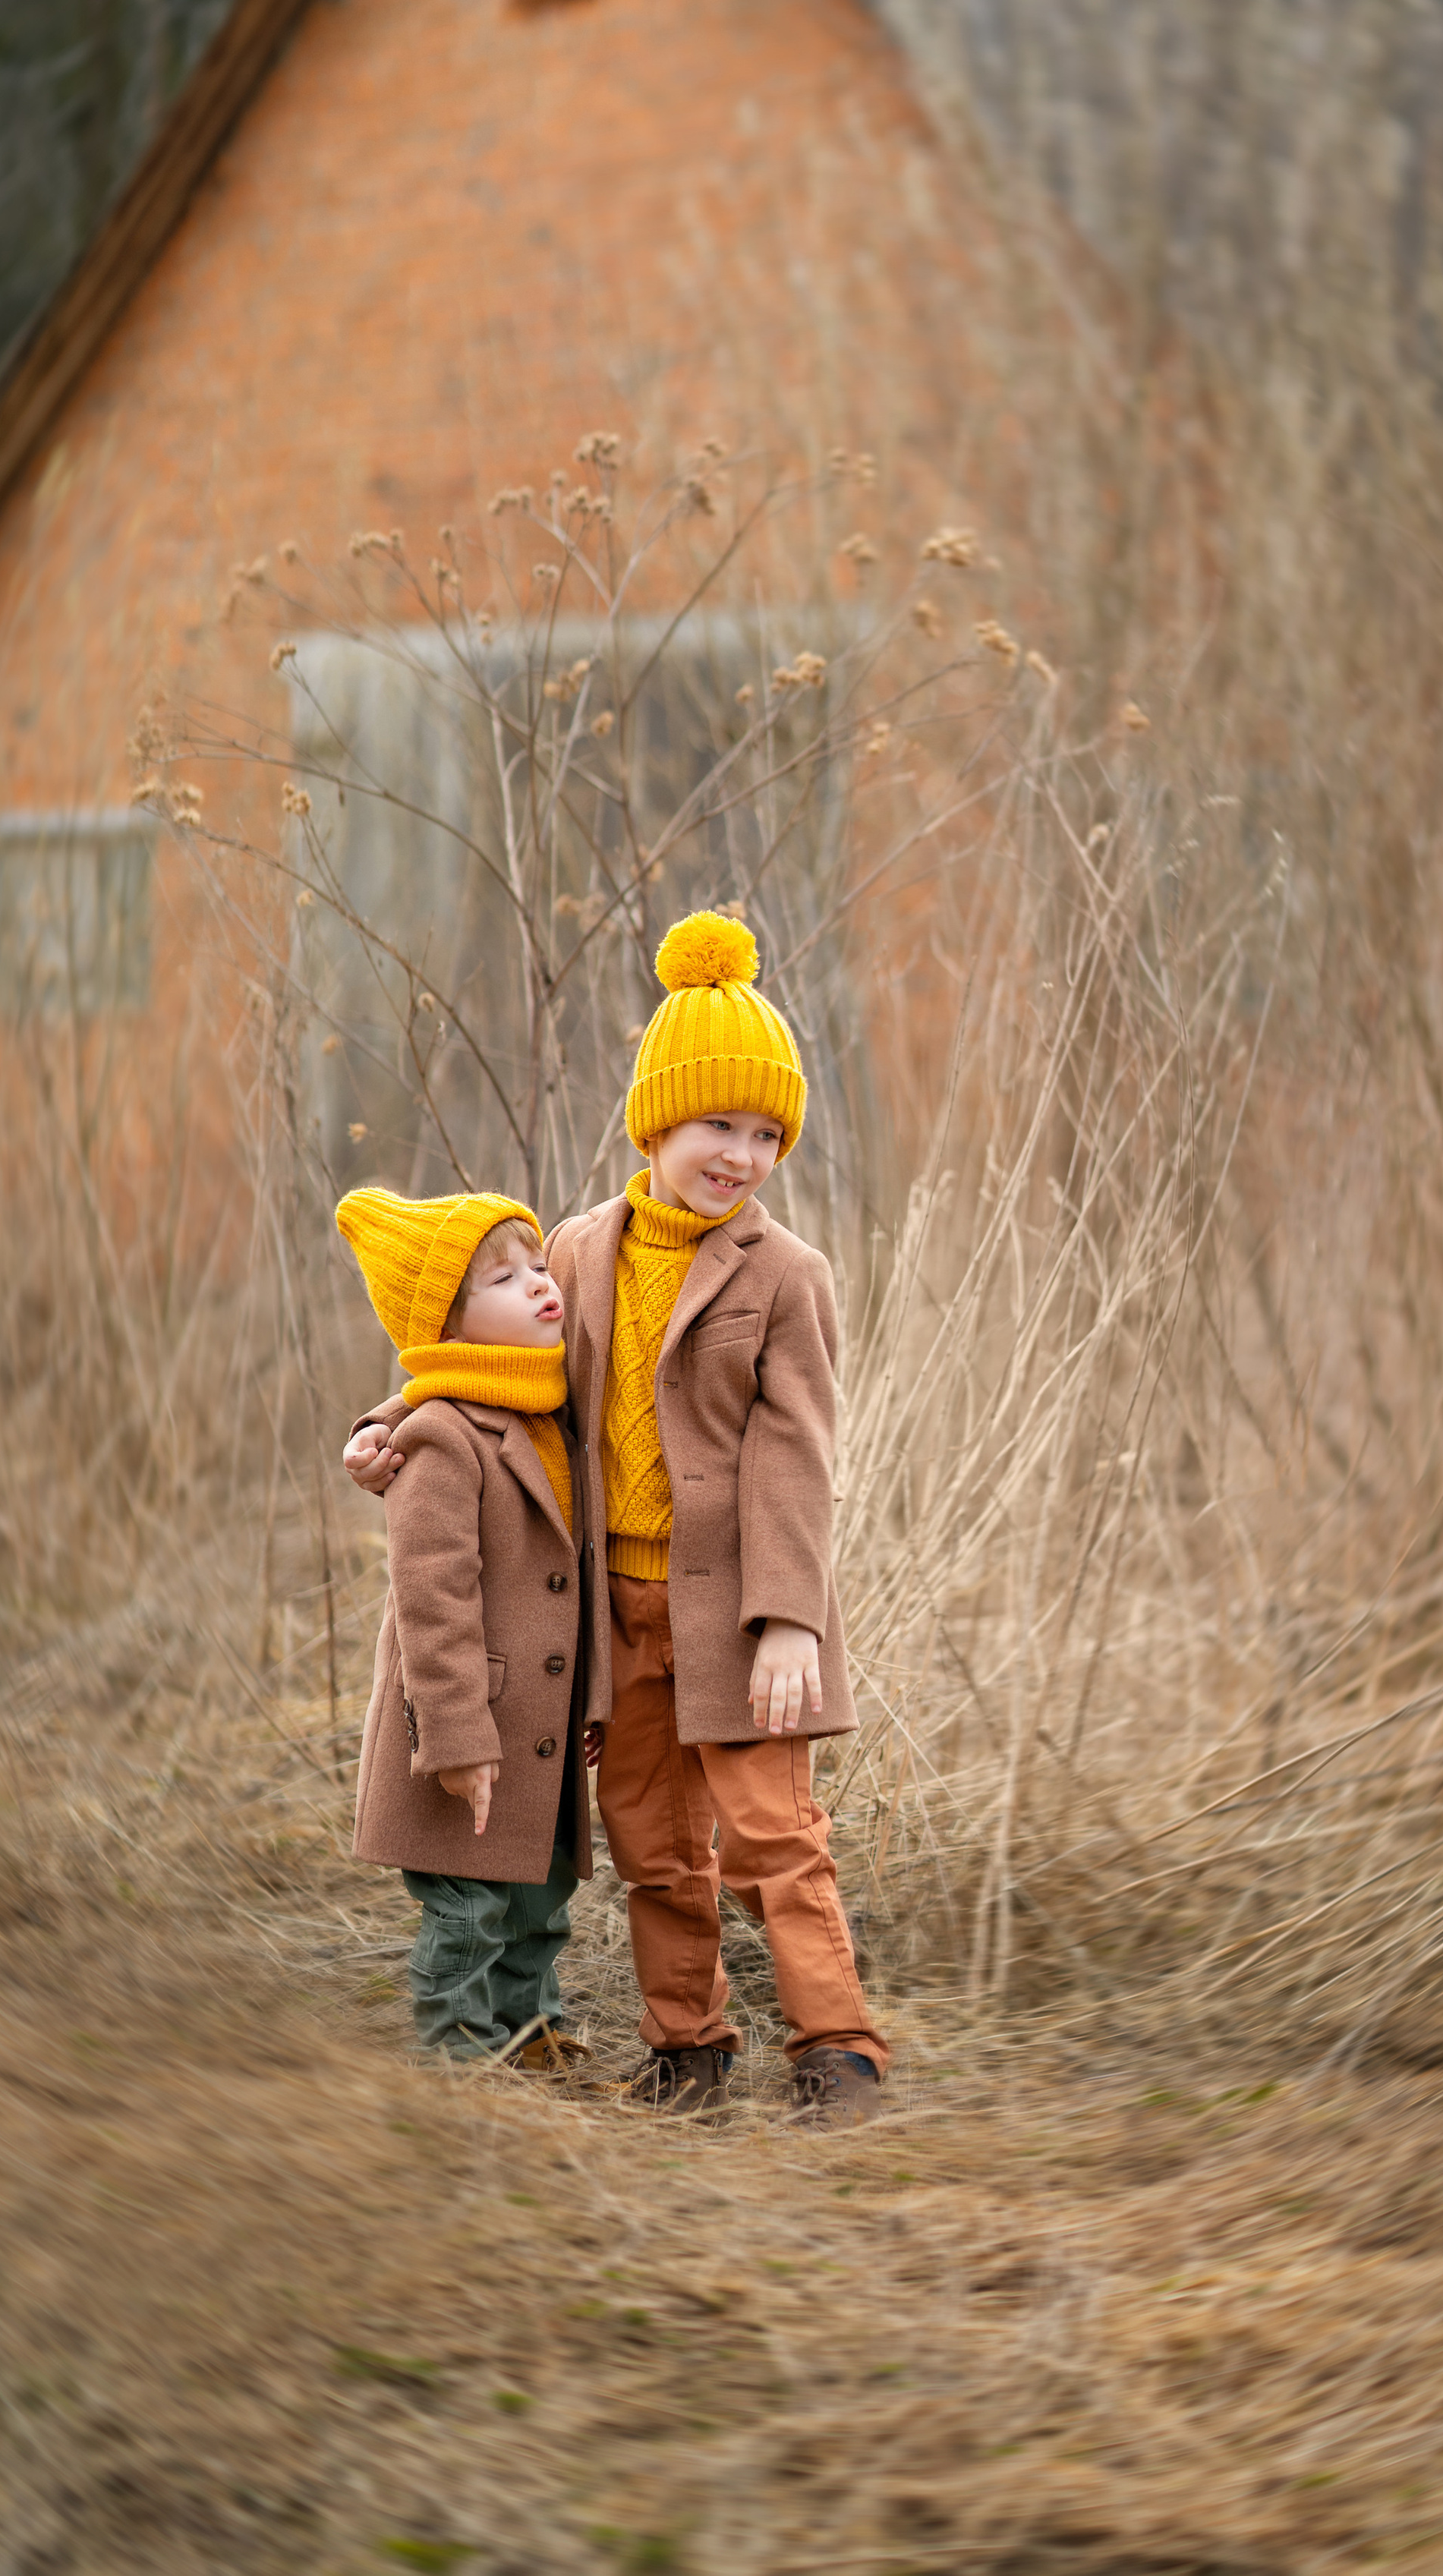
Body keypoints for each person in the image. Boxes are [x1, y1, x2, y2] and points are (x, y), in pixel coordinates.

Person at [345, 910, 890, 2126]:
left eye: (765, 1134)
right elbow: (500, 1370)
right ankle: (687, 2045)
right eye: (718, 1125)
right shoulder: (585, 1249)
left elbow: (798, 1454)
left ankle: (839, 2047)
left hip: (744, 1615)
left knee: (770, 1836)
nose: (741, 1153)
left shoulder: (786, 1276)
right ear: (656, 1122)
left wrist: (792, 1617)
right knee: (653, 1844)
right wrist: (392, 1422)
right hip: (615, 1617)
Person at [333, 1186, 594, 2067]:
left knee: (537, 1900)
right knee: (470, 1907)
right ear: (447, 1323)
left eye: (536, 1266)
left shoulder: (547, 1411)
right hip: (469, 1726)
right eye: (503, 1278)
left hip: (538, 1731)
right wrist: (452, 1736)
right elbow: (431, 1603)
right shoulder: (443, 1437)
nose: (538, 1284)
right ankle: (457, 2058)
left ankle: (532, 2032)